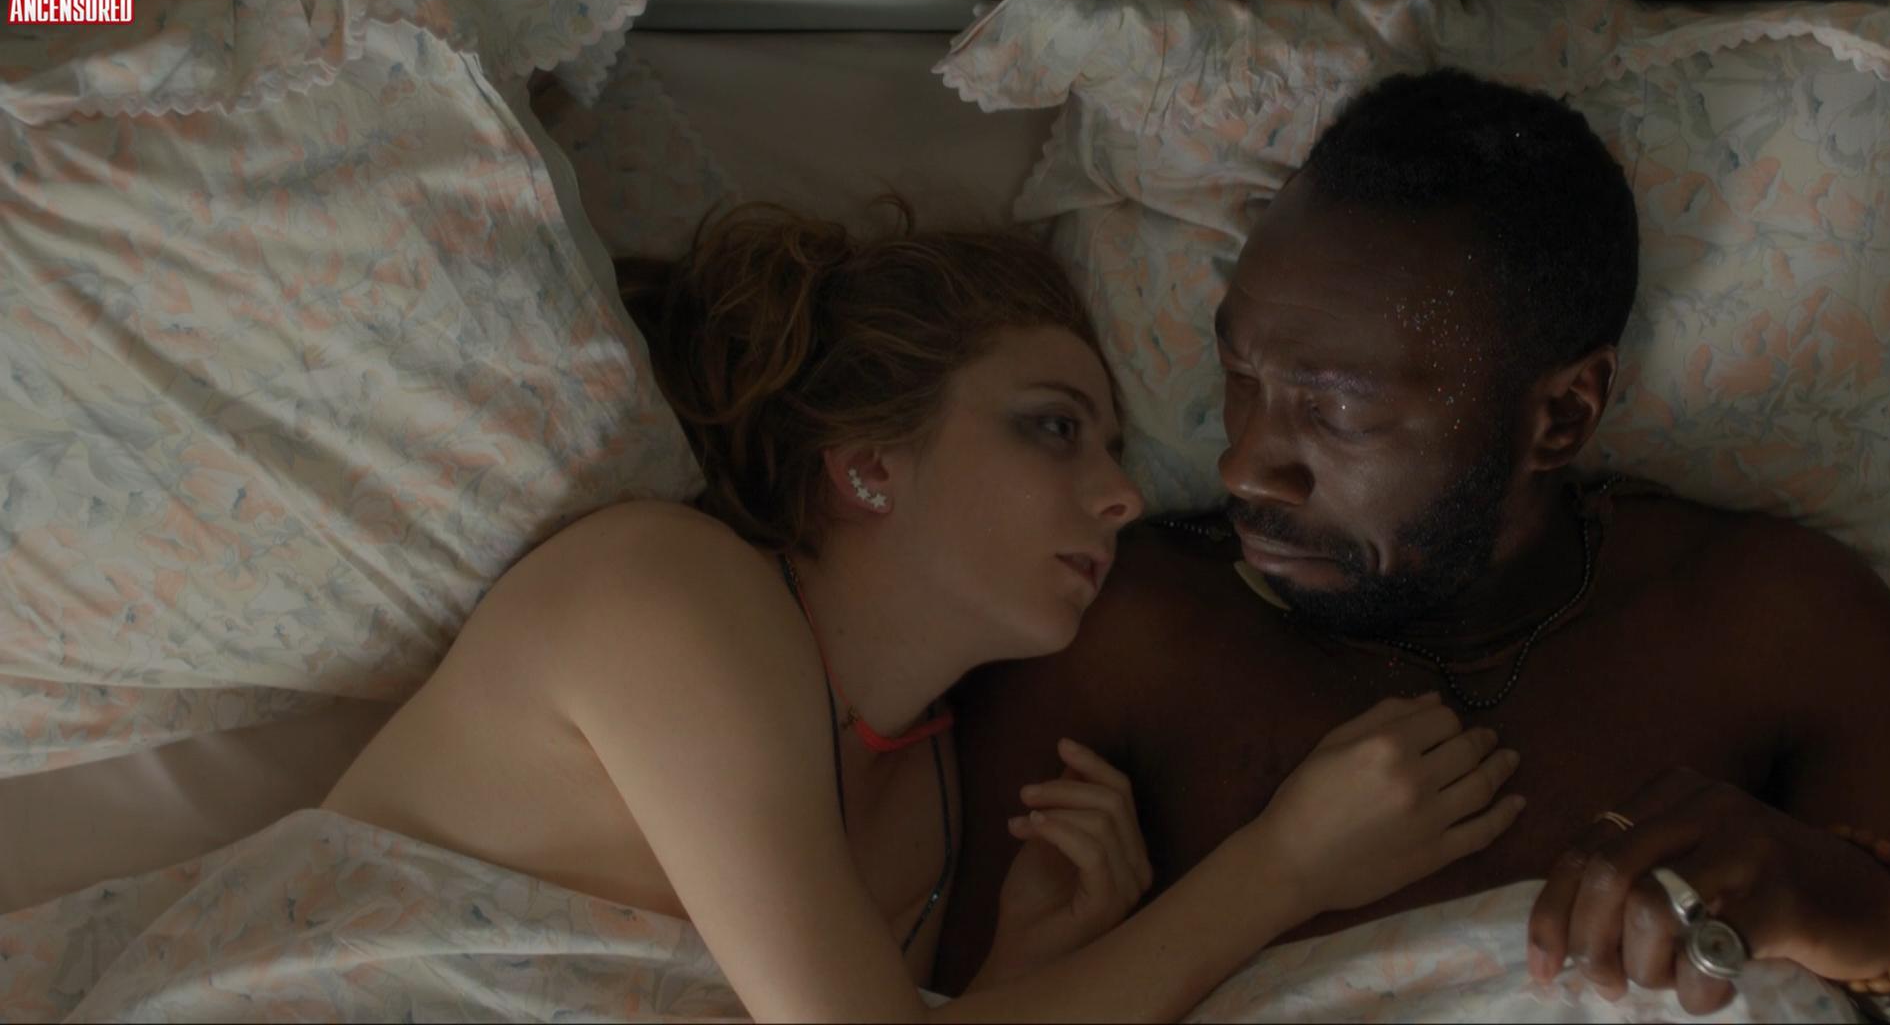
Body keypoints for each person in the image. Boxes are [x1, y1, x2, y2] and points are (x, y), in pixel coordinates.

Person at [321, 202, 1527, 1021]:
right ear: (868, 464)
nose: (1119, 495)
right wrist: (1281, 866)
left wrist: (1015, 974)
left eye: (1113, 448)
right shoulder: (666, 593)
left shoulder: (935, 785)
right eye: (1052, 426)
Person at [937, 70, 1890, 1018]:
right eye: (1240, 374)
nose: (1244, 465)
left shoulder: (1770, 625)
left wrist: (1854, 907)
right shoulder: (1116, 633)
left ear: (1561, 416)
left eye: (1338, 412)